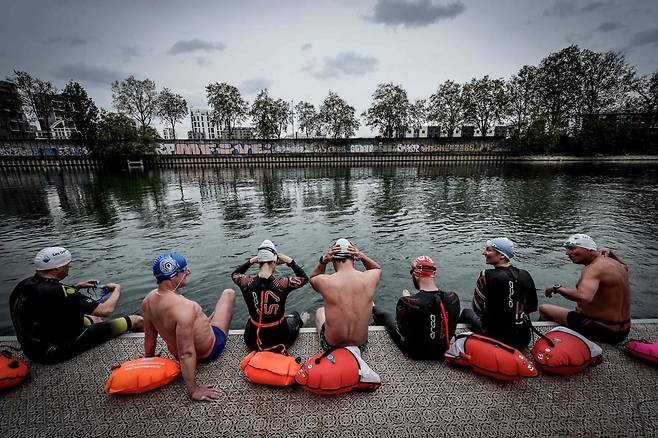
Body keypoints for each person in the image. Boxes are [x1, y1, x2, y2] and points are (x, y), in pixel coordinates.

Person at [9, 246, 143, 364]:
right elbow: (107, 310)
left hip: (32, 348)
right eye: (68, 264)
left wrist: (76, 287)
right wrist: (117, 289)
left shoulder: (24, 285)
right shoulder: (60, 291)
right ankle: (146, 352)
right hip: (54, 351)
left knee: (95, 319)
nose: (69, 267)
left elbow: (48, 298)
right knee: (137, 320)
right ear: (58, 267)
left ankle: (103, 336)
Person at [141, 252, 236, 401]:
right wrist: (193, 390)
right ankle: (209, 321)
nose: (188, 272)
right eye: (184, 270)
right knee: (228, 293)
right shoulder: (185, 307)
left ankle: (207, 320)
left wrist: (149, 359)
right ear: (173, 276)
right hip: (209, 351)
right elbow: (186, 353)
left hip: (176, 353)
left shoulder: (147, 300)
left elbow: (149, 336)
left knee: (203, 316)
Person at [539, 233, 631, 344]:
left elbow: (584, 296)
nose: (567, 253)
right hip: (624, 331)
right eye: (567, 249)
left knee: (544, 308)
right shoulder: (616, 264)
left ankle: (545, 339)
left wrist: (557, 288)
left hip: (601, 330)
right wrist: (611, 253)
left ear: (588, 249)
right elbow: (626, 267)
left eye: (572, 248)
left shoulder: (593, 268)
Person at [373, 256, 460, 360]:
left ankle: (372, 306)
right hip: (443, 349)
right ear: (434, 274)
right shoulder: (453, 298)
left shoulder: (408, 302)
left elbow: (401, 330)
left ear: (415, 274)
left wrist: (407, 299)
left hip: (416, 354)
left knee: (387, 317)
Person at [459, 237, 538, 350]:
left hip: (497, 338)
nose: (484, 253)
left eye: (488, 250)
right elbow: (530, 307)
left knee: (466, 313)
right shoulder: (525, 274)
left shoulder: (486, 275)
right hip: (524, 339)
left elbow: (477, 308)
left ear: (502, 255)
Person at [231, 239, 309, 352]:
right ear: (274, 262)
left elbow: (234, 274)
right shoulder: (282, 284)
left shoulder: (246, 282)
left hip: (251, 341)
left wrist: (251, 261)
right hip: (280, 340)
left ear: (258, 262)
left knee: (251, 318)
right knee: (295, 315)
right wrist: (290, 261)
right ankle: (299, 321)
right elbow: (304, 279)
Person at [310, 238, 382, 351]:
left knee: (320, 311)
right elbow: (377, 268)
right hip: (360, 346)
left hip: (331, 346)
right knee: (369, 303)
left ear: (332, 259)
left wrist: (323, 260)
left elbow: (313, 278)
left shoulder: (325, 281)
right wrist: (362, 256)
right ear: (354, 258)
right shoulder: (369, 278)